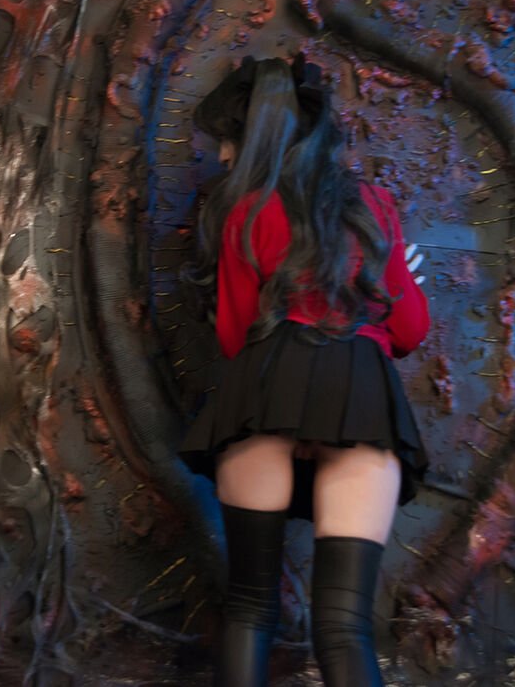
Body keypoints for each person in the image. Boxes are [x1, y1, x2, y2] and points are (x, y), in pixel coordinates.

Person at [180, 56, 431, 686]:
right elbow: (409, 333)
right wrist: (395, 282)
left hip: (266, 392)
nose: (221, 157)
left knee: (249, 608)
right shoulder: (374, 207)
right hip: (362, 396)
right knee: (345, 629)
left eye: (226, 141)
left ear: (254, 139)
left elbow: (236, 339)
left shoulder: (244, 212)